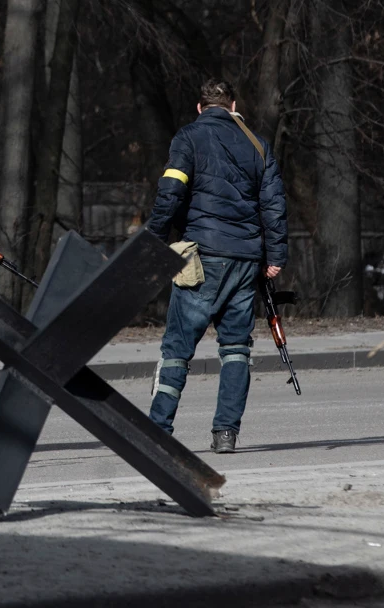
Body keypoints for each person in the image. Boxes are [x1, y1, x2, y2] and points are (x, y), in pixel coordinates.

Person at [146, 79, 289, 454]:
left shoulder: (188, 137)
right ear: (233, 105)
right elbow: (273, 205)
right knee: (236, 349)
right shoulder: (258, 144)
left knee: (177, 348)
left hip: (202, 256)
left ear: (199, 107)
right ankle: (225, 433)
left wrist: (152, 237)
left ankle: (158, 430)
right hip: (245, 260)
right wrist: (275, 257)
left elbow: (171, 191)